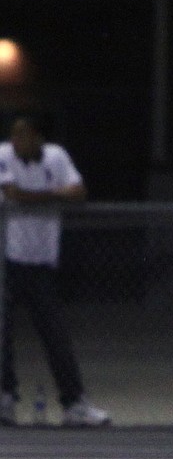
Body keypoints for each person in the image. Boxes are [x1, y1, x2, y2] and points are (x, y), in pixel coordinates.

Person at [0, 115, 111, 427]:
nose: (16, 142)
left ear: (37, 138)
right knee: (2, 334)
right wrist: (53, 195)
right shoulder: (4, 155)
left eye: (23, 136)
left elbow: (79, 192)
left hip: (42, 264)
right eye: (14, 136)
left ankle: (74, 403)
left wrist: (49, 196)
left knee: (55, 335)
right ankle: (5, 399)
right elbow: (13, 195)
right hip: (7, 261)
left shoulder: (56, 156)